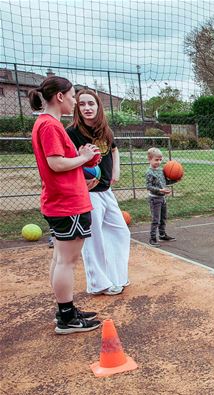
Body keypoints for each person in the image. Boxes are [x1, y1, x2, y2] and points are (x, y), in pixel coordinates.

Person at [29, 76, 101, 334]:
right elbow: (56, 164)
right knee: (66, 262)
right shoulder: (50, 126)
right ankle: (67, 318)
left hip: (63, 198)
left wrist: (83, 167)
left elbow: (61, 165)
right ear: (59, 96)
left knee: (61, 258)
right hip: (67, 203)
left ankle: (65, 309)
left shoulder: (46, 124)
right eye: (72, 97)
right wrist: (82, 158)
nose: (74, 102)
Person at [66, 89, 129, 296]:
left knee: (121, 231)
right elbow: (68, 161)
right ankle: (99, 284)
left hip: (106, 190)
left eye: (90, 104)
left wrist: (116, 171)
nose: (87, 108)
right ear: (77, 107)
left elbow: (114, 149)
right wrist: (81, 181)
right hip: (88, 192)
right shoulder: (72, 132)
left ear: (98, 106)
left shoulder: (104, 130)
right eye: (82, 104)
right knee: (94, 239)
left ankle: (117, 276)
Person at [145, 147, 176, 247]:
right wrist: (160, 190)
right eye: (156, 160)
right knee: (156, 220)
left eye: (160, 160)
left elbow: (165, 182)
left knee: (163, 218)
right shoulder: (149, 172)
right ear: (149, 159)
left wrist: (176, 179)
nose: (158, 162)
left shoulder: (161, 171)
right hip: (154, 199)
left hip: (162, 198)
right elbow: (148, 186)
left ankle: (162, 234)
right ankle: (152, 238)